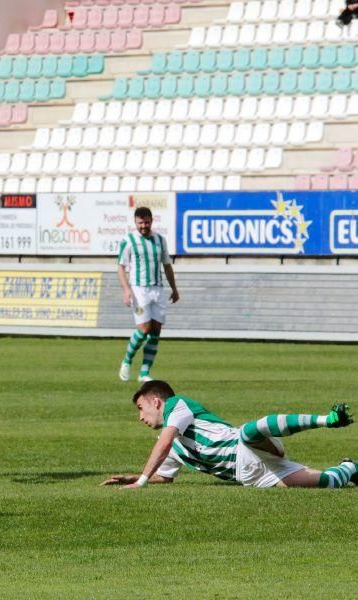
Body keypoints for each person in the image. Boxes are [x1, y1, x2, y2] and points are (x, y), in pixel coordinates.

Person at [101, 380, 356, 489]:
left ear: (156, 402)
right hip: (249, 475)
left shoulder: (176, 404)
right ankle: (349, 468)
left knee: (249, 430)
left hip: (246, 447)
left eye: (140, 408)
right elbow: (165, 477)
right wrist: (132, 477)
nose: (140, 417)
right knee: (325, 483)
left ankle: (327, 419)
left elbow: (165, 442)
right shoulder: (172, 446)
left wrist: (140, 482)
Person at [116, 206, 179, 383]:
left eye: (146, 222)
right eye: (140, 222)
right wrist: (126, 289)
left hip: (157, 289)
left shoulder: (159, 239)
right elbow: (120, 267)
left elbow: (167, 265)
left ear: (152, 220)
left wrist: (174, 288)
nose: (144, 225)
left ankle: (144, 373)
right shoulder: (128, 240)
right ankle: (127, 361)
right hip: (139, 289)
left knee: (156, 331)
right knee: (144, 329)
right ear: (135, 222)